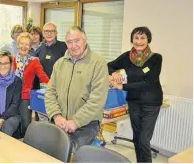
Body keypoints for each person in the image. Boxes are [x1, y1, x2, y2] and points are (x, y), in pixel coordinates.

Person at [45, 26, 108, 151]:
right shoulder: (59, 64)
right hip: (60, 121)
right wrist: (56, 116)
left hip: (86, 124)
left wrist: (76, 121)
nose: (73, 46)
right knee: (51, 151)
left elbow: (97, 100)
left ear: (85, 40)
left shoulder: (98, 63)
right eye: (69, 42)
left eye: (77, 40)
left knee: (74, 153)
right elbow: (50, 92)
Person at [108, 26, 163, 163]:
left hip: (151, 102)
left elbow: (148, 82)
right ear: (132, 40)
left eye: (142, 37)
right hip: (134, 102)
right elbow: (109, 65)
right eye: (136, 38)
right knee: (137, 138)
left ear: (148, 39)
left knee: (144, 140)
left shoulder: (156, 58)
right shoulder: (127, 57)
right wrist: (113, 72)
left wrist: (123, 86)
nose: (139, 41)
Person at [11, 32, 49, 137]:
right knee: (12, 123)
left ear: (30, 47)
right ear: (17, 45)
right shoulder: (11, 60)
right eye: (21, 43)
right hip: (11, 96)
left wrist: (51, 89)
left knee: (26, 124)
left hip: (25, 97)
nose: (24, 46)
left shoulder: (34, 61)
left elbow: (43, 78)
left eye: (27, 44)